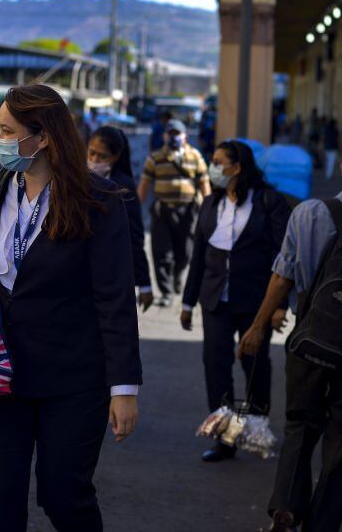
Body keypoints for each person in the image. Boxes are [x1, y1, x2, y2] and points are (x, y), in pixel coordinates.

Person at [0, 84, 141, 532]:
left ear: (42, 137)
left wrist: (124, 389)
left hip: (73, 378)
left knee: (64, 496)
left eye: (6, 130)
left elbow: (115, 297)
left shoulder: (99, 201)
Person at [237, 139, 342, 531]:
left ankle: (286, 508)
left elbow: (283, 276)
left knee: (300, 424)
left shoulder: (309, 213)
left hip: (308, 340)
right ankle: (323, 523)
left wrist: (258, 326)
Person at [180, 140, 291, 462]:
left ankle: (255, 431)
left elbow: (282, 255)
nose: (212, 168)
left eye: (217, 162)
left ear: (237, 167)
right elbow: (199, 255)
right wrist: (188, 303)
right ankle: (225, 437)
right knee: (215, 365)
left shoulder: (268, 201)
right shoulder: (211, 203)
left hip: (256, 300)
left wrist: (280, 305)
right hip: (215, 299)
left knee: (254, 364)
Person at [138, 120, 210, 307]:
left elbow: (204, 182)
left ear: (184, 137)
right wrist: (135, 208)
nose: (174, 137)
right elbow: (144, 185)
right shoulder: (155, 158)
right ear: (165, 136)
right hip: (163, 210)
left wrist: (209, 208)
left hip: (188, 212)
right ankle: (166, 291)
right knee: (162, 252)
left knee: (185, 252)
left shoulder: (195, 156)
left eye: (177, 134)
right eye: (171, 133)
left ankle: (177, 275)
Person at [87, 126, 154, 311]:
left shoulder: (122, 188)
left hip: (111, 274)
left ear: (115, 157)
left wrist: (145, 283)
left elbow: (135, 235)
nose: (94, 160)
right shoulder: (78, 179)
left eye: (102, 156)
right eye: (91, 153)